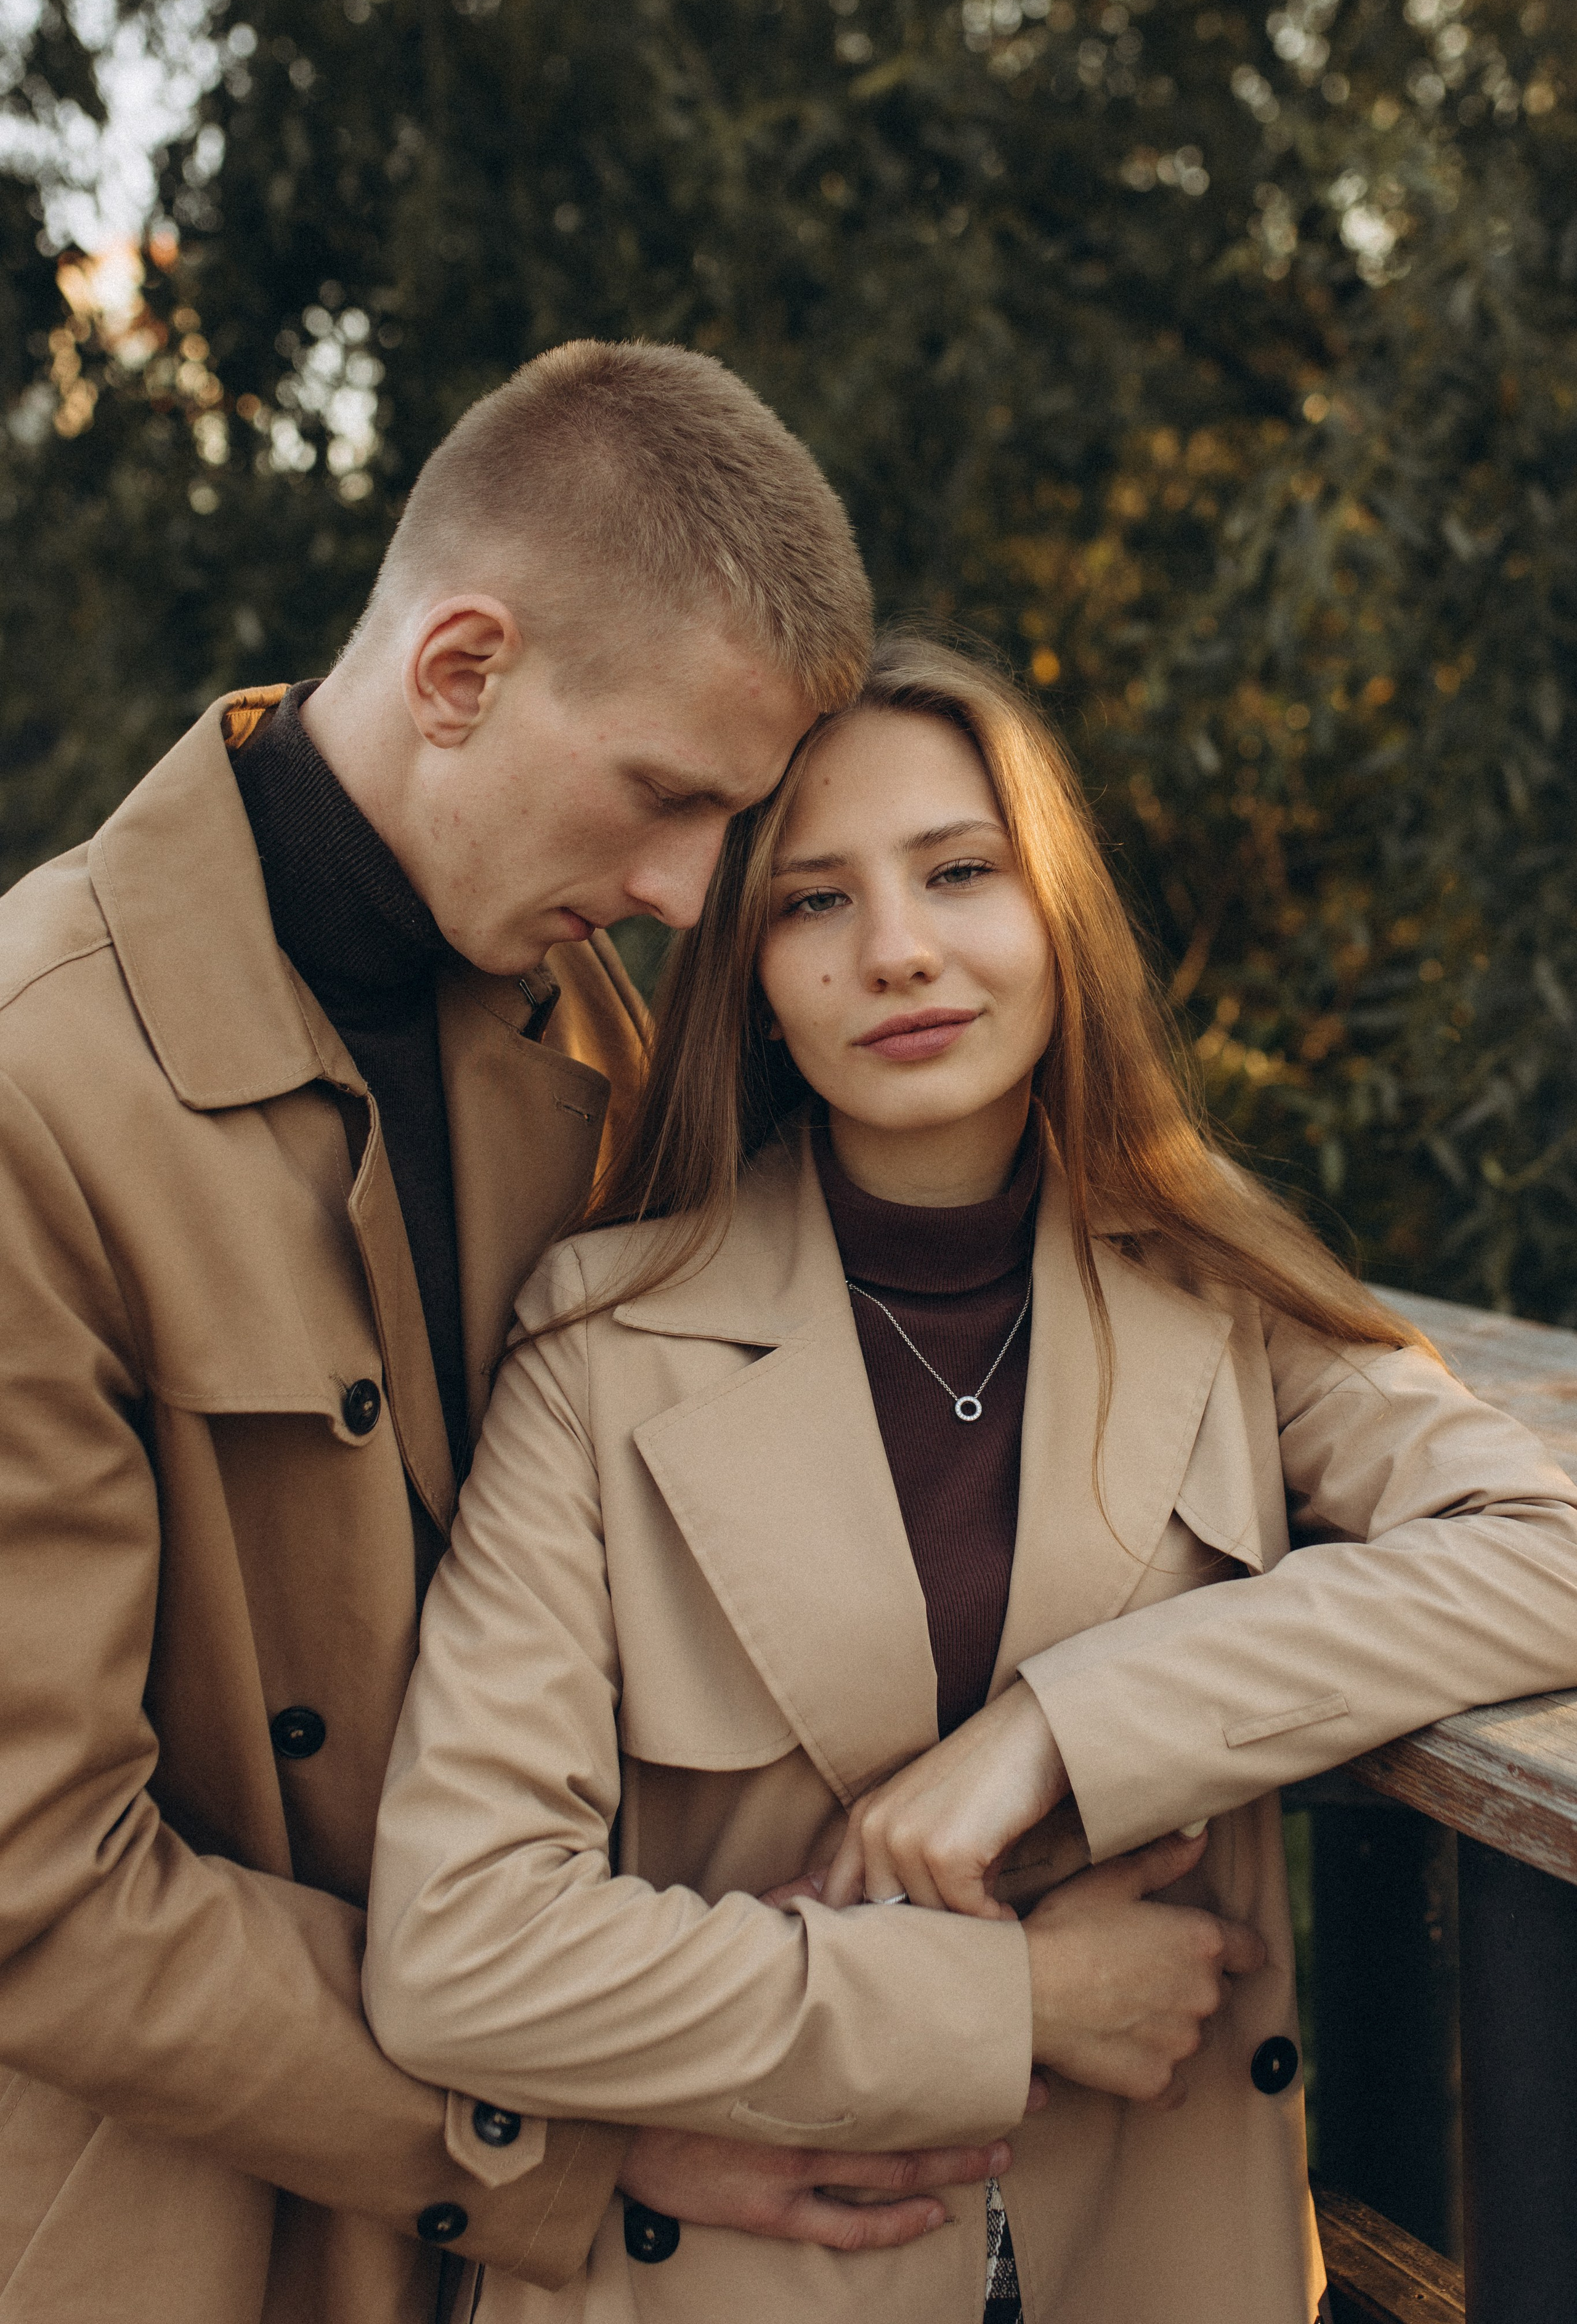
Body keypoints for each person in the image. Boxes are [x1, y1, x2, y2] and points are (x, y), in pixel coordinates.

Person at [365, 634, 1577, 2324]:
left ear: (1057, 914)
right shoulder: (604, 1347)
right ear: (751, 971)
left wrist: (1061, 1734)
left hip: (1163, 2259)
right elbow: (460, 1949)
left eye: (960, 872)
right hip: (738, 2281)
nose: (901, 952)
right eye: (812, 903)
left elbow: (1549, 1547)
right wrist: (998, 2001)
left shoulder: (1209, 1283)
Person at [0, 347, 1016, 2324]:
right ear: (459, 670)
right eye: (667, 798)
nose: (681, 895)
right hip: (183, 2244)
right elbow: (32, 1890)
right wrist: (581, 2138)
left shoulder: (589, 1035)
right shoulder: (33, 1089)